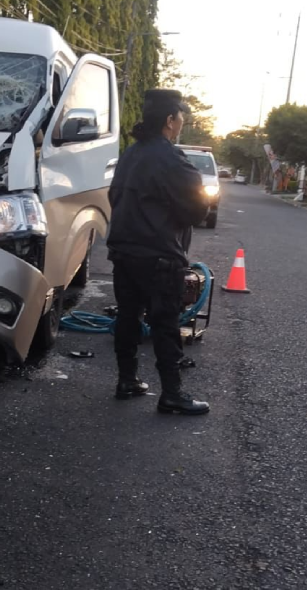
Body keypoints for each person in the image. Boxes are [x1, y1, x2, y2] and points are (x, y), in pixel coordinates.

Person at [106, 89, 211, 415]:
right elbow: (198, 207)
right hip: (158, 255)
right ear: (169, 120)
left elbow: (114, 196)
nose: (181, 124)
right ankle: (172, 394)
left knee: (128, 316)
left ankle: (127, 380)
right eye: (180, 118)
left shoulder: (131, 154)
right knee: (165, 323)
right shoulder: (169, 159)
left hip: (123, 250)